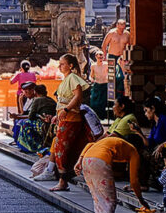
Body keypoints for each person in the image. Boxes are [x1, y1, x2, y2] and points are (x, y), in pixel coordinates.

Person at [75, 136, 149, 213]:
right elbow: (134, 181)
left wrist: (79, 160)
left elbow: (90, 144)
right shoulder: (133, 151)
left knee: (98, 200)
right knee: (110, 201)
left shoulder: (116, 142)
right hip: (99, 161)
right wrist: (141, 201)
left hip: (87, 160)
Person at [50, 53, 91, 192]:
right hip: (65, 118)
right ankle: (63, 178)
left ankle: (63, 180)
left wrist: (66, 109)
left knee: (62, 149)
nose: (59, 66)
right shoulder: (66, 79)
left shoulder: (73, 78)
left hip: (71, 118)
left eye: (62, 64)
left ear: (70, 65)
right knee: (60, 148)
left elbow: (78, 96)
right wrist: (59, 114)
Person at [15, 84, 57, 153]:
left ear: (35, 92)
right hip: (50, 123)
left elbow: (31, 116)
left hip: (43, 124)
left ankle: (30, 147)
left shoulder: (37, 100)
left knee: (24, 123)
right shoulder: (51, 100)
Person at [101, 19, 131, 98]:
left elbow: (129, 46)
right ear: (117, 25)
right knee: (111, 76)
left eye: (123, 28)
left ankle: (121, 94)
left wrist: (128, 57)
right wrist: (104, 57)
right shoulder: (111, 33)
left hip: (122, 57)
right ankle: (110, 96)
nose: (121, 30)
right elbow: (104, 45)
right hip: (112, 56)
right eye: (120, 28)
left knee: (122, 76)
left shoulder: (127, 34)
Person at [88, 50, 109, 119]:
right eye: (99, 58)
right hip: (97, 84)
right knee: (94, 101)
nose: (100, 59)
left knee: (102, 101)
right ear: (96, 57)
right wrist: (91, 79)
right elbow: (91, 75)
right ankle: (95, 115)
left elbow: (111, 73)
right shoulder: (93, 65)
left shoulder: (106, 64)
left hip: (104, 83)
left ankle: (102, 116)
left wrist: (108, 78)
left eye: (102, 58)